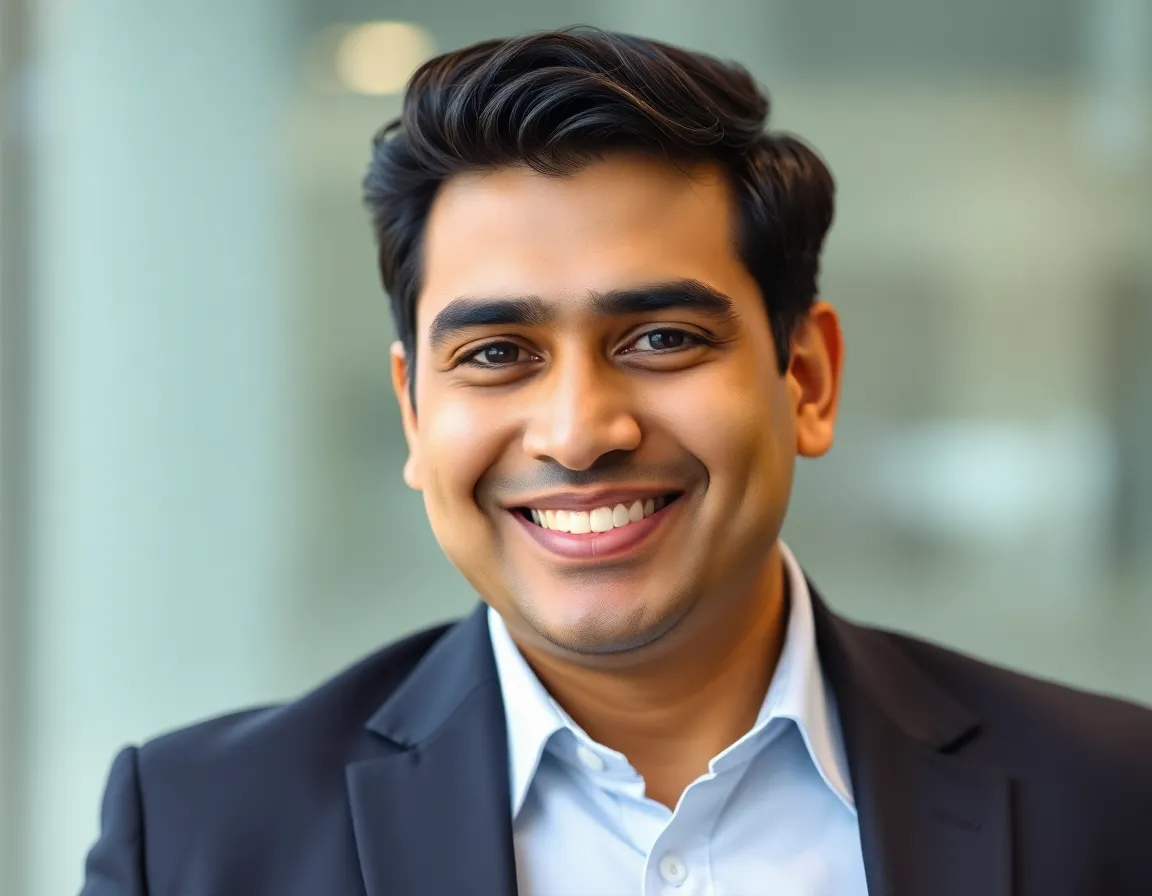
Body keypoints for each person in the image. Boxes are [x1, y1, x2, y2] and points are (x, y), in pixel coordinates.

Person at [80, 26, 1152, 896]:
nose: (580, 430)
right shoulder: (193, 839)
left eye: (661, 339)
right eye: (498, 354)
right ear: (415, 411)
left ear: (808, 378)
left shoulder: (1116, 799)